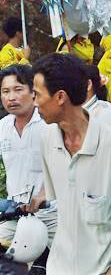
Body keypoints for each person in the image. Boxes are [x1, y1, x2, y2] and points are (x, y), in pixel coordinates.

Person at [32, 53, 111, 275]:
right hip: (59, 267)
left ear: (60, 97)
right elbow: (61, 206)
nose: (35, 102)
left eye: (38, 94)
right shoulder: (47, 139)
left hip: (102, 270)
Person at [0, 65, 57, 259]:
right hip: (14, 214)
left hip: (52, 216)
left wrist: (43, 194)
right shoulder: (3, 127)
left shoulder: (48, 124)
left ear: (33, 92)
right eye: (5, 91)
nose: (11, 97)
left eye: (18, 89)